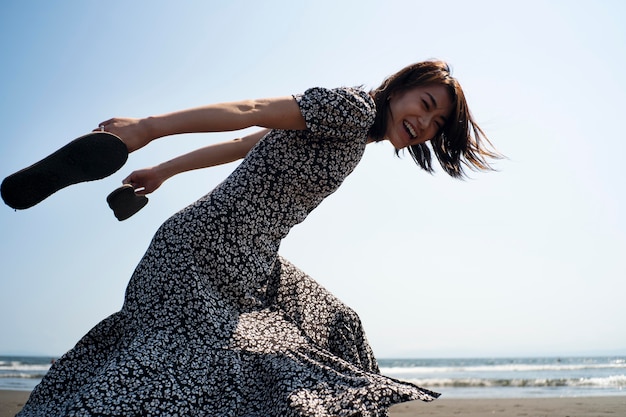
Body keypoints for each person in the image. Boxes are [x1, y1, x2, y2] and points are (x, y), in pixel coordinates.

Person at [12, 60, 500, 417]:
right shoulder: (349, 109)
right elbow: (250, 109)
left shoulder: (353, 135)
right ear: (401, 88)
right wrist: (147, 129)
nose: (425, 125)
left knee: (330, 328)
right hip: (204, 254)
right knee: (187, 367)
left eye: (437, 125)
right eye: (426, 106)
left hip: (247, 261)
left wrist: (162, 171)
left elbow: (244, 144)